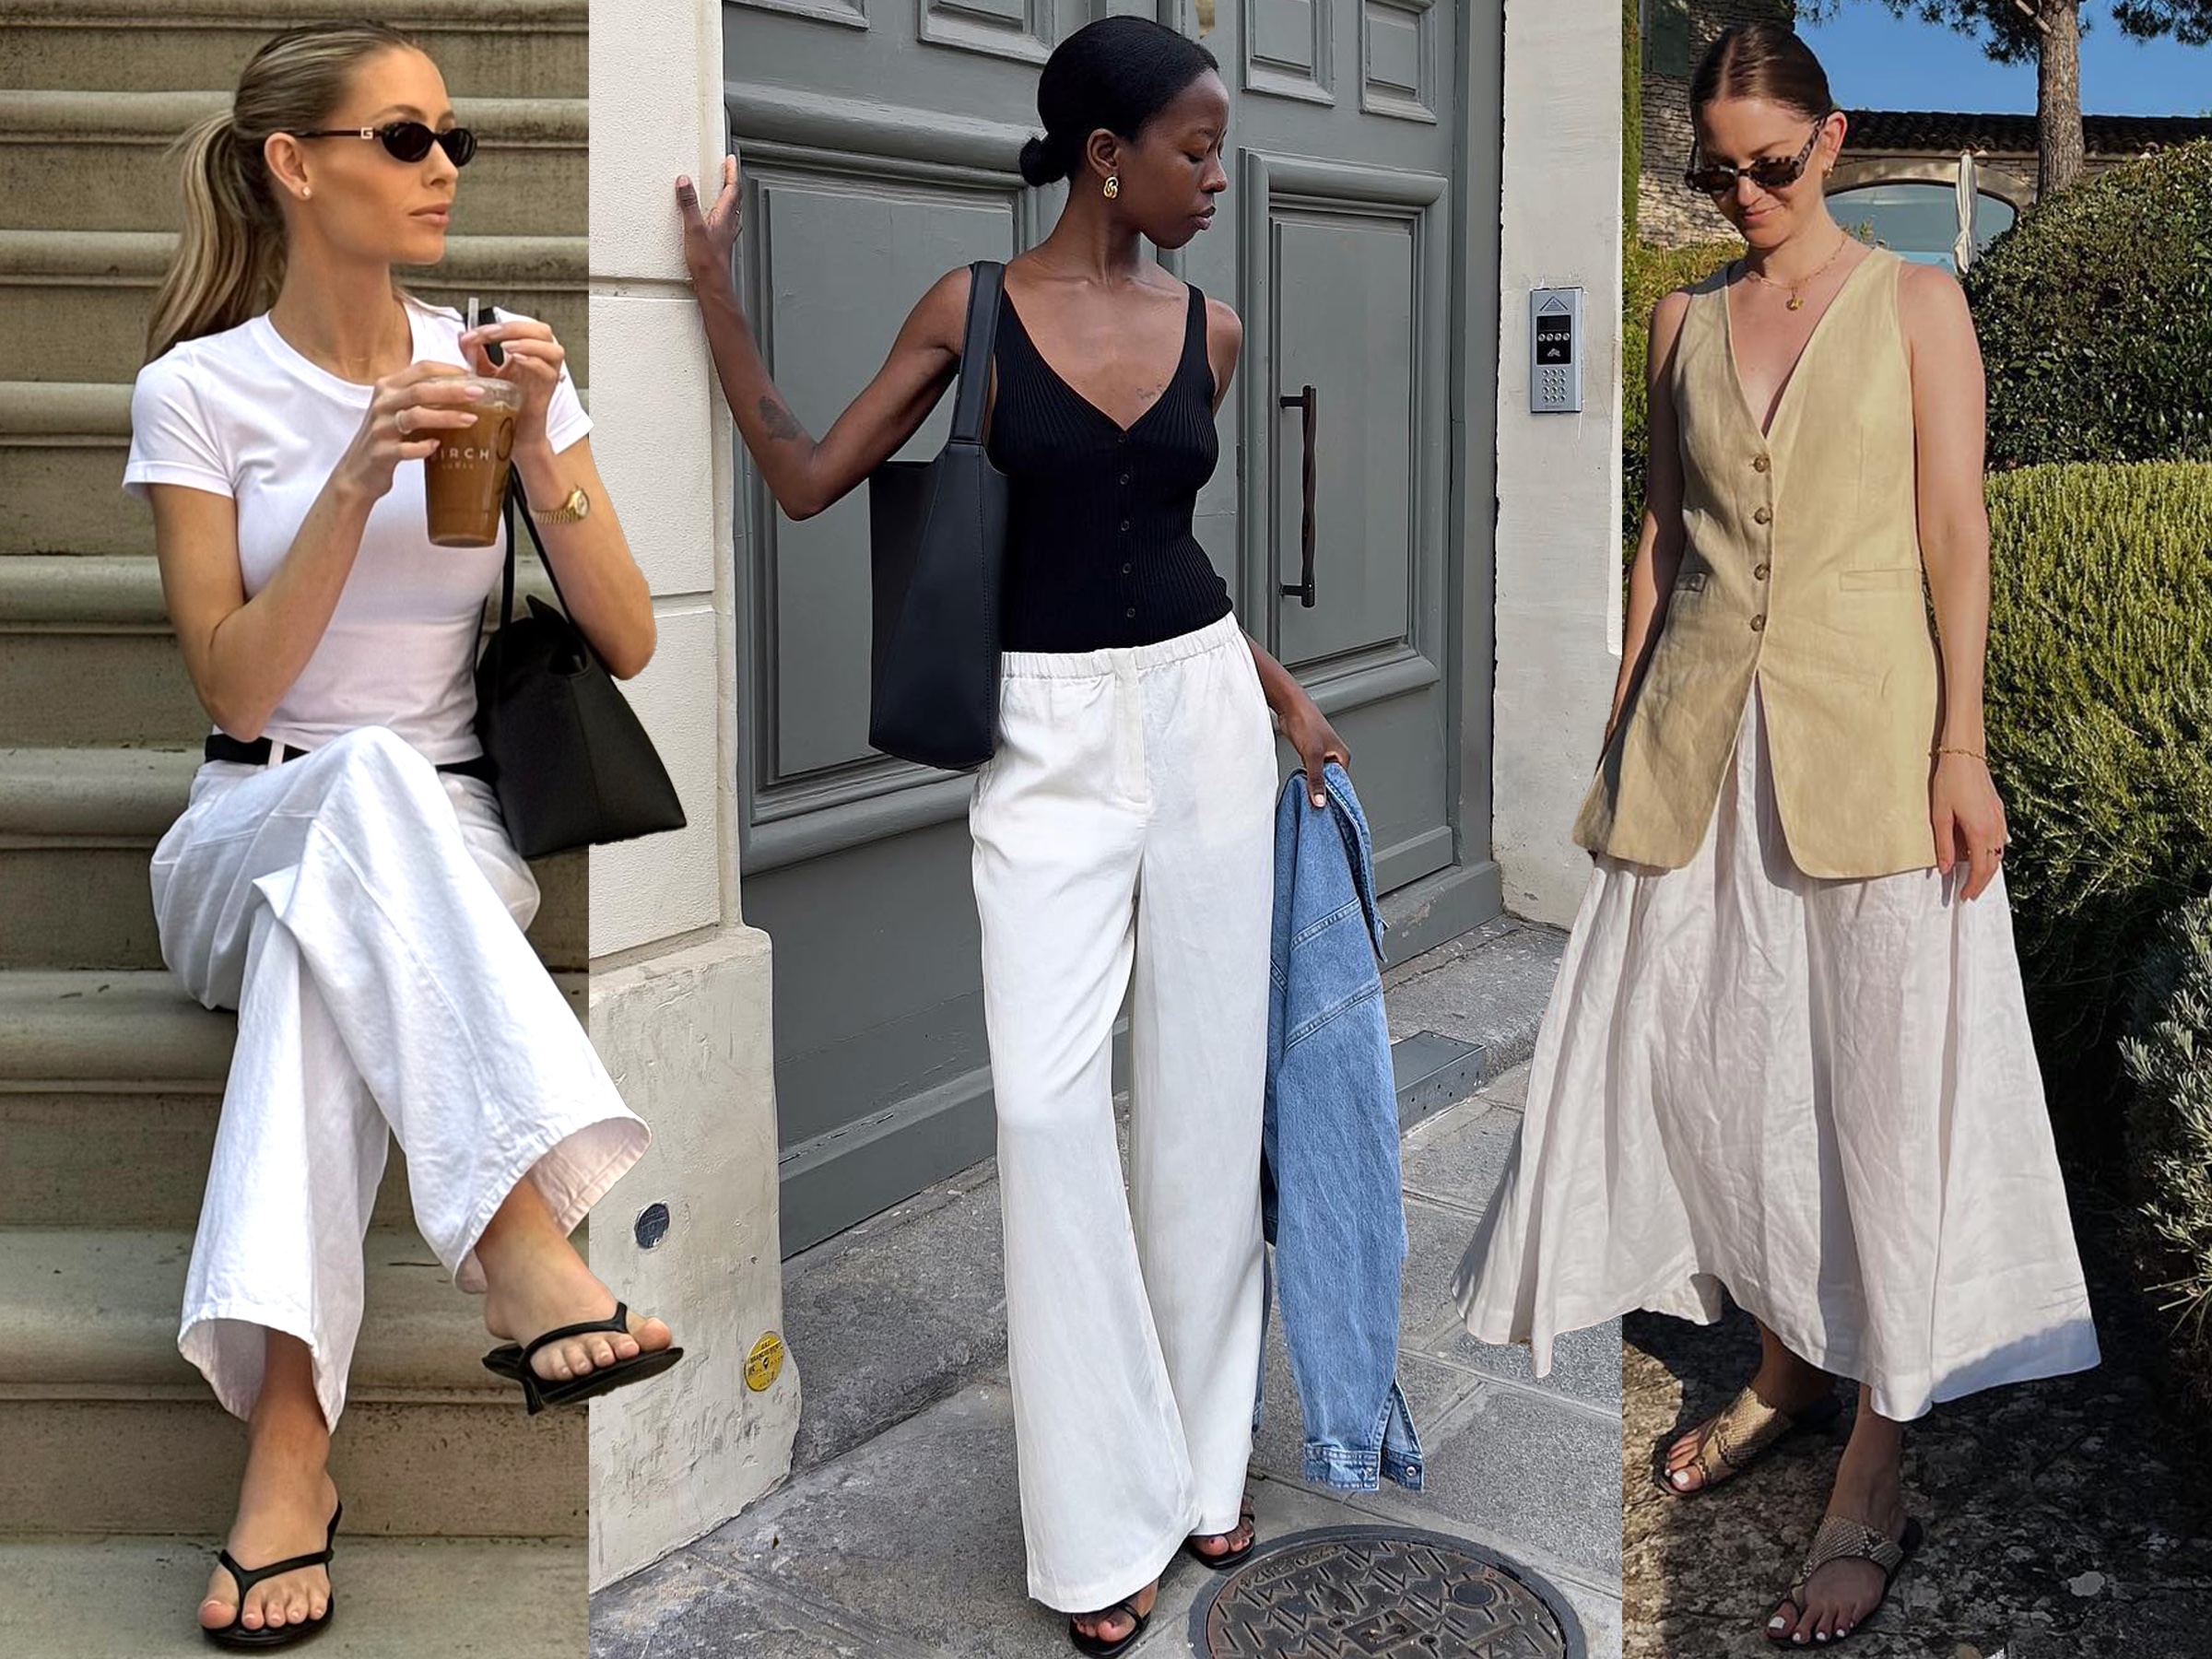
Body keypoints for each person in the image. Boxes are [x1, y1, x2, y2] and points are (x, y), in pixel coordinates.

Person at [676, 17, 1349, 1654]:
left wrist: (1273, 689)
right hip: (1040, 738)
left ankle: (1199, 1464)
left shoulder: (1215, 331)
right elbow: (804, 475)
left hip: (1198, 719)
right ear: (1105, 156)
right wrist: (707, 288)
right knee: (1053, 1112)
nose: (1217, 177)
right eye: (1195, 149)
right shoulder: (968, 313)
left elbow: (1168, 554)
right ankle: (1096, 1508)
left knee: (1199, 1102)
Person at [1454, 22, 2098, 1651]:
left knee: (1876, 1086)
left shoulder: (1919, 304)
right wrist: (1616, 735)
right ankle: (1787, 1358)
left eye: (1772, 160)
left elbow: (1957, 531)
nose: (1743, 191)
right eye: (1716, 167)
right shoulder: (1682, 319)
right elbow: (1665, 539)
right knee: (1721, 1071)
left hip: (1874, 747)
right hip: (1698, 757)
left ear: (1833, 138)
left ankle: (1877, 1447)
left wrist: (1965, 743)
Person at [126, 21, 679, 1648]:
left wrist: (553, 442)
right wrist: (356, 480)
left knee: (339, 934)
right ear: (297, 166)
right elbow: (232, 676)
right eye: (403, 137)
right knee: (347, 796)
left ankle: (291, 1452)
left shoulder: (498, 352)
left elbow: (632, 639)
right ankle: (520, 1229)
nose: (443, 167)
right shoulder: (199, 391)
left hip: (445, 846)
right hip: (247, 821)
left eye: (454, 139)